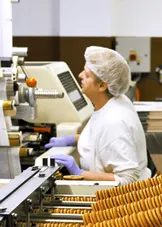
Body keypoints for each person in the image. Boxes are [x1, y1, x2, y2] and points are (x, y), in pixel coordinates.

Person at [46, 46, 151, 185]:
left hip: (122, 200)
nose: (80, 75)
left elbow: (128, 179)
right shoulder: (114, 101)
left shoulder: (114, 122)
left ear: (102, 86)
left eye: (87, 75)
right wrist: (74, 139)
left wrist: (79, 173)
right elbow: (101, 139)